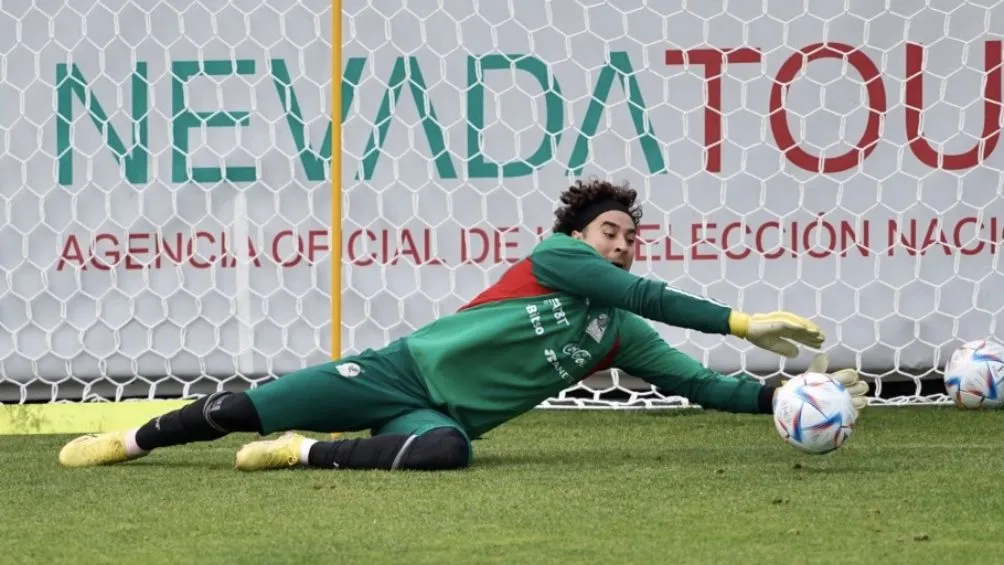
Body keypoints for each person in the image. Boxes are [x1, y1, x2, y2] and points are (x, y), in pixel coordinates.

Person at [58, 179, 868, 472]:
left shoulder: (618, 330)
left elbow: (701, 384)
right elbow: (657, 295)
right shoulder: (554, 258)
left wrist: (792, 394)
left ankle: (302, 453)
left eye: (630, 238)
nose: (621, 245)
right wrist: (740, 319)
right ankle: (130, 442)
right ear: (582, 235)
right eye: (611, 232)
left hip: (432, 412)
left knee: (447, 451)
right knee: (240, 405)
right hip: (398, 370)